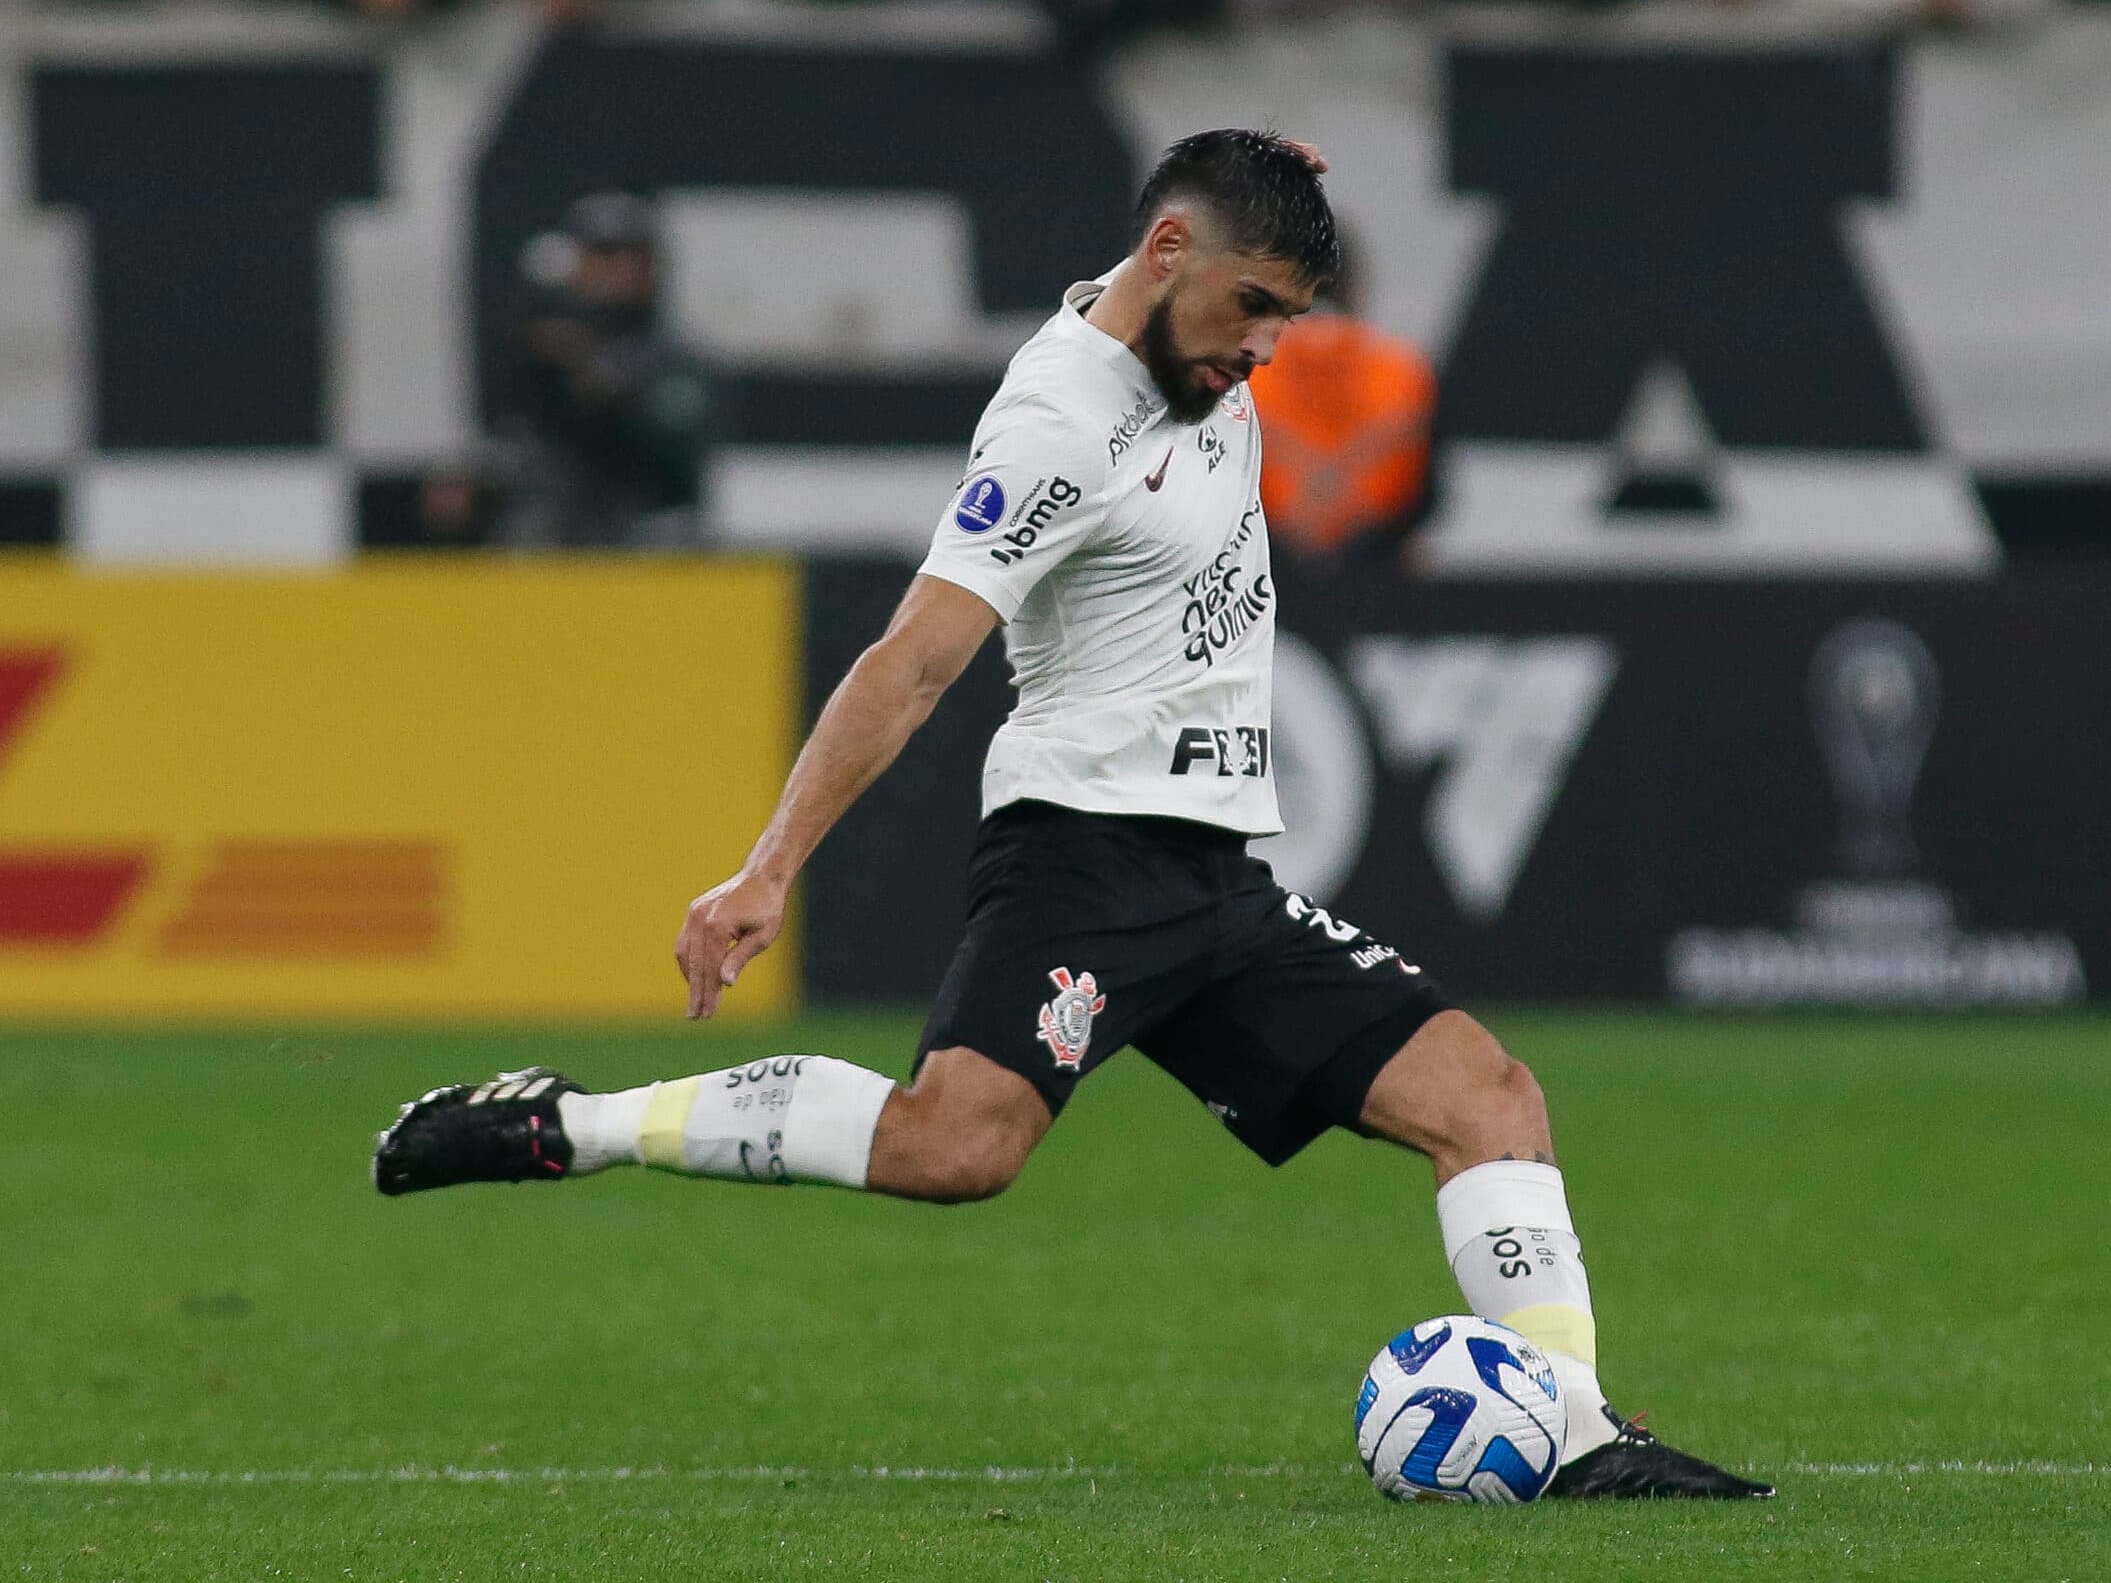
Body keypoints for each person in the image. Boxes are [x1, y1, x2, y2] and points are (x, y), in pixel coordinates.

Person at [372, 130, 1770, 1502]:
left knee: (1489, 1099)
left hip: (1217, 879)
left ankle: (1576, 1430)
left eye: (1288, 317)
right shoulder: (1058, 424)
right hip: (1085, 860)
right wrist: (768, 868)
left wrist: (1262, 172)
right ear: (1169, 254)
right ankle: (572, 1123)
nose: (1266, 349)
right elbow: (913, 661)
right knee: (954, 1148)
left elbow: (1213, 219)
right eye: (1255, 306)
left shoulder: (1190, 331)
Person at [497, 192, 714, 550]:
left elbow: (679, 446)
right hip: (566, 521)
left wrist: (610, 384)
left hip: (646, 518)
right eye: (599, 255)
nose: (613, 271)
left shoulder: (674, 357)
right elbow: (523, 433)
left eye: (626, 256)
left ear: (650, 268)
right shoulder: (542, 345)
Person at [1248, 229, 1437, 570]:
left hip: (1264, 572)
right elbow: (1426, 493)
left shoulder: (1242, 373)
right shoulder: (1404, 369)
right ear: (1355, 289)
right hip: (1375, 570)